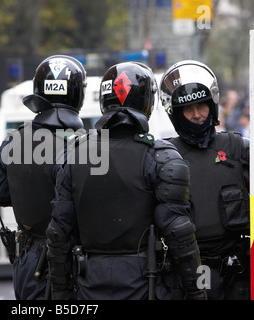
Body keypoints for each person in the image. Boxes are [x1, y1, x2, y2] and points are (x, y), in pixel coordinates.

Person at [45, 61, 206, 300]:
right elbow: (179, 235)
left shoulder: (73, 154)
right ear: (148, 101)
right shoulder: (162, 156)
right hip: (145, 284)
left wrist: (61, 296)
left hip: (89, 284)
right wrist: (197, 292)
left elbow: (58, 235)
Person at [0, 55, 87, 300]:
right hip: (72, 259)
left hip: (28, 260)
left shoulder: (17, 141)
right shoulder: (84, 146)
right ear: (77, 94)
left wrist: (25, 189)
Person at [159, 60, 250, 300]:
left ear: (213, 105)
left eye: (202, 106)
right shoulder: (164, 156)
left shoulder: (237, 148)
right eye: (188, 110)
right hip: (194, 270)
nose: (197, 115)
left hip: (238, 269)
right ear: (176, 114)